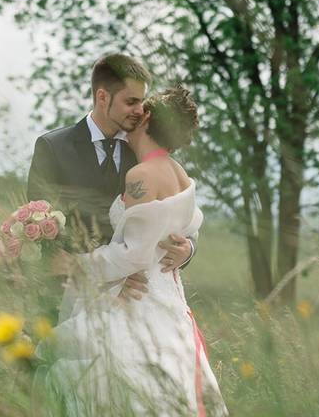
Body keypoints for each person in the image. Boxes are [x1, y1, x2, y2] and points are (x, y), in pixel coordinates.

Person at [43, 86, 227, 416]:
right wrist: (183, 249)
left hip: (139, 297)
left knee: (112, 382)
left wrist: (77, 264)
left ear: (149, 119)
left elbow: (134, 255)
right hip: (168, 299)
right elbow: (187, 226)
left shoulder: (141, 175)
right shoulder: (180, 174)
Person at [27, 54, 196, 318]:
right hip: (67, 298)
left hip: (134, 299)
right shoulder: (53, 148)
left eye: (141, 100)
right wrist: (112, 281)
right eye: (131, 101)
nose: (140, 110)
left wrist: (188, 249)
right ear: (102, 97)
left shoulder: (144, 150)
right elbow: (44, 230)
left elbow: (176, 214)